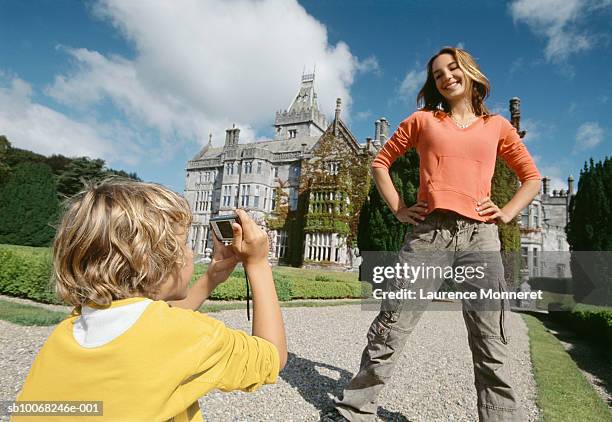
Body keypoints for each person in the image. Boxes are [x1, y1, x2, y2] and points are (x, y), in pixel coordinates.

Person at [326, 47, 541, 421]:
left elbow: (531, 178)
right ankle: (354, 410)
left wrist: (506, 212)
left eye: (452, 68)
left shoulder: (497, 127)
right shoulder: (423, 120)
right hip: (428, 236)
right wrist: (398, 208)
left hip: (481, 238)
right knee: (391, 325)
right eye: (438, 74)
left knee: (492, 337)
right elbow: (381, 162)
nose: (446, 77)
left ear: (470, 72)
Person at [12, 179, 287, 421]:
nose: (190, 253)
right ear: (157, 261)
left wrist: (212, 277)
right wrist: (258, 263)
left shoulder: (66, 332)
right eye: (184, 244)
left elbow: (147, 323)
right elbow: (272, 357)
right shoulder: (188, 335)